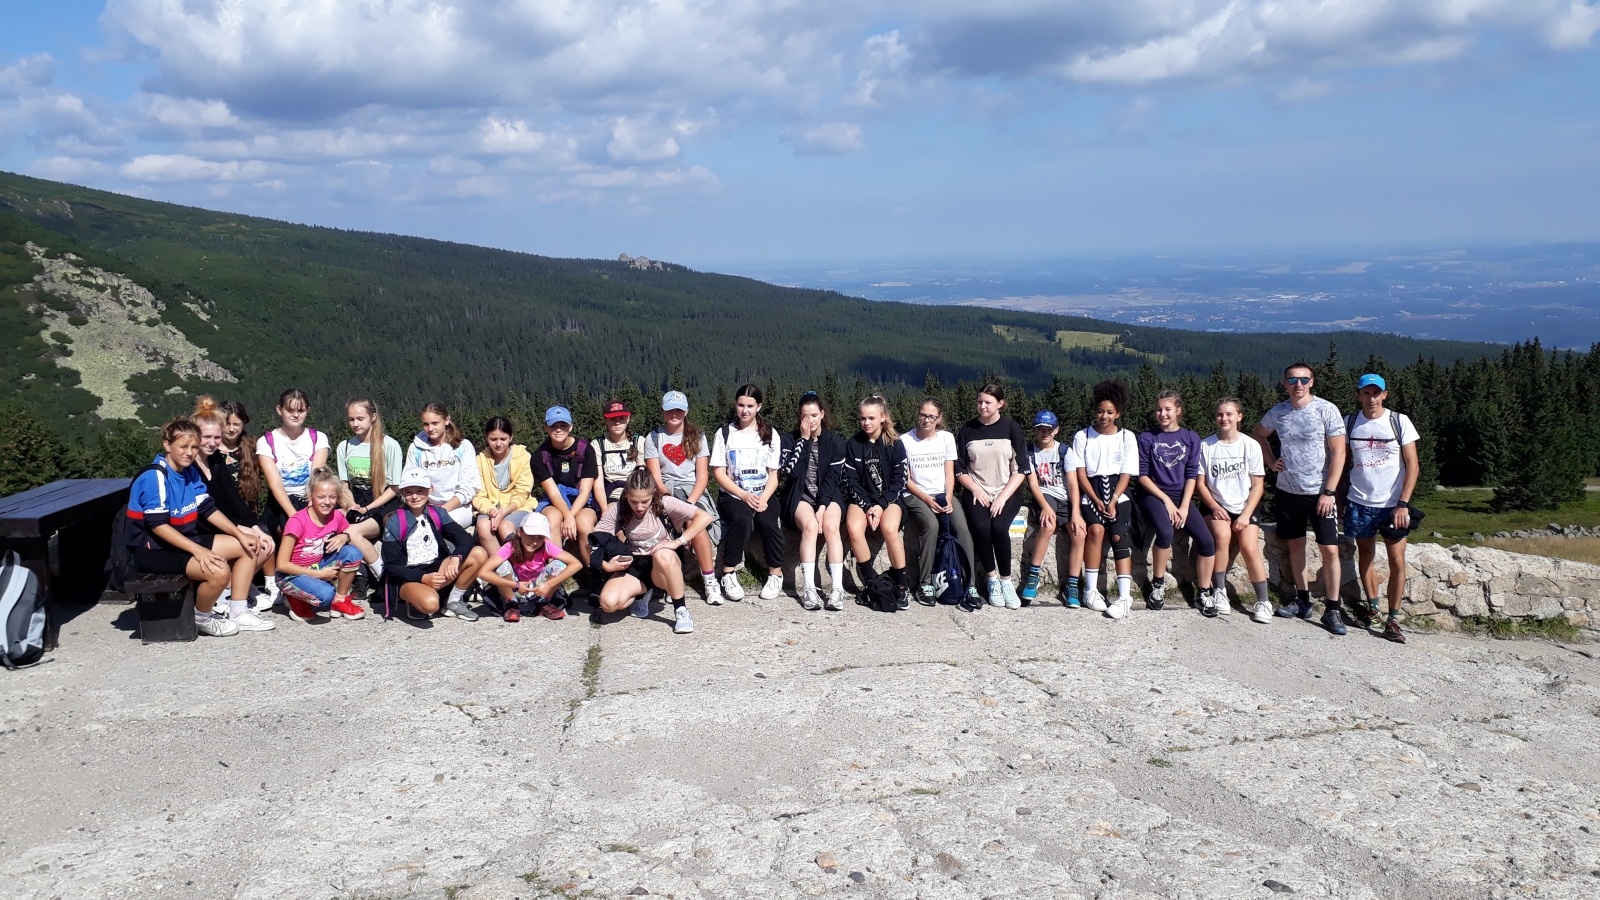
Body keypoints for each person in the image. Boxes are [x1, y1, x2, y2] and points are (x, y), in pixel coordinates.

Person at [125, 418, 269, 637]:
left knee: (250, 545)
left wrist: (239, 533)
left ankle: (239, 611)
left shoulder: (188, 471)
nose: (189, 452)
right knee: (219, 571)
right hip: (153, 549)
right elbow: (158, 526)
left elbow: (207, 508)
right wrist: (199, 551)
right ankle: (202, 616)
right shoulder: (155, 476)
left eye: (194, 447)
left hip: (182, 540)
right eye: (183, 447)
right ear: (167, 445)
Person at [1253, 363, 1348, 634]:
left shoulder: (1326, 410)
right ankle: (1303, 600)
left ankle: (1332, 609)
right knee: (1295, 546)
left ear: (1312, 382)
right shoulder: (1279, 411)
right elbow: (1259, 435)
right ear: (1284, 383)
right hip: (1288, 491)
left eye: (1303, 379)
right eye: (1292, 379)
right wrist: (1271, 462)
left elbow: (1339, 453)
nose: (1298, 384)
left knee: (1329, 549)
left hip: (1320, 493)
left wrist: (1329, 491)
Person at [1343, 374, 1420, 644]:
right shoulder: (1350, 422)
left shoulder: (1399, 422)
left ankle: (1394, 619)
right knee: (1365, 554)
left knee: (1397, 561)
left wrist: (1403, 504)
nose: (1371, 398)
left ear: (1385, 395)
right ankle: (1374, 609)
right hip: (1359, 501)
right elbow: (1340, 459)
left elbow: (1413, 465)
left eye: (1377, 393)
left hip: (1392, 506)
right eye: (1366, 393)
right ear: (1359, 395)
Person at [591, 469, 714, 634]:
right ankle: (643, 593)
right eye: (634, 501)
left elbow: (704, 517)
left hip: (666, 561)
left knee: (662, 554)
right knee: (608, 603)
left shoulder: (665, 503)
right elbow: (595, 539)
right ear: (626, 494)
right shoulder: (619, 509)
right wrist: (606, 566)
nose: (639, 507)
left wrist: (678, 541)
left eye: (645, 501)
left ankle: (681, 610)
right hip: (637, 563)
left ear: (653, 494)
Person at [191, 396, 279, 616]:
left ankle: (236, 591)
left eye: (216, 438)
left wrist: (253, 525)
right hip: (196, 530)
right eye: (207, 437)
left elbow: (231, 498)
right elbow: (203, 510)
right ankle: (227, 595)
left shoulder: (215, 460)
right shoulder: (191, 465)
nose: (212, 442)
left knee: (263, 541)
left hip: (215, 525)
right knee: (251, 545)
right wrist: (239, 530)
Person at [1135, 390, 1218, 614]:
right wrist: (1167, 502)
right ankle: (1158, 583)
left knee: (1206, 540)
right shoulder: (1147, 438)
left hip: (1181, 495)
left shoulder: (1190, 438)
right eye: (1159, 409)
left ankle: (1204, 591)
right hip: (1153, 494)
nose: (1162, 413)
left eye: (1167, 409)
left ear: (1178, 411)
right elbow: (1142, 475)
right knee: (1165, 532)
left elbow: (1192, 473)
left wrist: (1183, 505)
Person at [1197, 398, 1272, 624]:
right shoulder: (1206, 446)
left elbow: (1258, 485)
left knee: (1249, 546)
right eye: (1220, 414)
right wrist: (1214, 507)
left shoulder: (1250, 445)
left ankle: (1263, 601)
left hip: (1245, 505)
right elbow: (1201, 484)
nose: (1224, 419)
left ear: (1239, 417)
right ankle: (1219, 590)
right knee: (1222, 536)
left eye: (1229, 414)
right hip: (1216, 504)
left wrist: (1246, 515)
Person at [956, 383, 1031, 608]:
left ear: (1000, 404)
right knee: (981, 528)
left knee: (999, 527)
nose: (982, 406)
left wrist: (1002, 497)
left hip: (1006, 490)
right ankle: (991, 579)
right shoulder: (967, 430)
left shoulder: (1011, 428)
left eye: (988, 402)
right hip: (976, 489)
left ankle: (1006, 581)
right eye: (979, 401)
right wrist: (976, 489)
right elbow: (959, 469)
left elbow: (1022, 469)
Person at [380, 469, 491, 621]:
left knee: (478, 553)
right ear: (402, 493)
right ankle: (413, 600)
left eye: (420, 491)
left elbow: (463, 538)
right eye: (409, 492)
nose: (414, 496)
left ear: (430, 489)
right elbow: (391, 565)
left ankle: (453, 601)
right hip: (409, 576)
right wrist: (423, 577)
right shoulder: (394, 521)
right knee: (431, 604)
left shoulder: (438, 513)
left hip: (437, 568)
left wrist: (456, 557)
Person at [644, 390, 722, 604]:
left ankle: (709, 580)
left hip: (692, 490)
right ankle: (673, 579)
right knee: (666, 523)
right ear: (662, 411)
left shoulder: (698, 436)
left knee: (693, 520)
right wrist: (670, 499)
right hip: (665, 489)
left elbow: (702, 475)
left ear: (686, 411)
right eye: (670, 410)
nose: (674, 414)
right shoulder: (653, 437)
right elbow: (655, 477)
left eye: (679, 410)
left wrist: (689, 503)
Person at [274, 467, 380, 623]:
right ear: (310, 496)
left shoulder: (336, 516)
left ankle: (340, 600)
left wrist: (345, 536)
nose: (327, 502)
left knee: (352, 552)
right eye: (321, 497)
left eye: (332, 497)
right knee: (325, 595)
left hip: (317, 565)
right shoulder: (297, 521)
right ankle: (292, 597)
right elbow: (282, 564)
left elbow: (348, 533)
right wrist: (319, 575)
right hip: (290, 575)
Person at [711, 384, 785, 602]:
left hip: (764, 493)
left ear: (759, 407)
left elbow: (774, 474)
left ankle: (775, 573)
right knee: (742, 519)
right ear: (735, 405)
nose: (745, 410)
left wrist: (763, 498)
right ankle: (728, 572)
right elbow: (719, 472)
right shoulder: (725, 434)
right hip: (733, 495)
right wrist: (743, 495)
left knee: (768, 522)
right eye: (741, 405)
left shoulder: (770, 434)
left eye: (750, 406)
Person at [1073, 380, 1140, 619]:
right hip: (1091, 491)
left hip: (1117, 492)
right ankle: (1090, 590)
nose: (1104, 416)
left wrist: (1113, 499)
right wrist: (1096, 499)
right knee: (1095, 531)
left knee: (1119, 534)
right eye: (1100, 411)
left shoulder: (1127, 437)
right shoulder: (1083, 436)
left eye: (1110, 412)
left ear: (1118, 413)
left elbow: (1126, 473)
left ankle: (1124, 596)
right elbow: (1081, 472)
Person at [900, 397, 977, 604]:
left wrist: (949, 498)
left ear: (939, 418)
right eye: (923, 415)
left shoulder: (946, 438)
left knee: (961, 528)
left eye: (931, 416)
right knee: (931, 526)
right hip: (916, 495)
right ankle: (925, 583)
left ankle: (969, 584)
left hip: (942, 493)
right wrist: (927, 499)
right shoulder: (905, 440)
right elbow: (906, 480)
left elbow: (949, 473)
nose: (926, 420)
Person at [778, 392, 848, 610]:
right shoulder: (789, 440)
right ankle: (809, 588)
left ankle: (837, 589)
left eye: (814, 415)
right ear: (800, 418)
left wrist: (823, 506)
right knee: (809, 526)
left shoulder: (836, 443)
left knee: (831, 525)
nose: (810, 420)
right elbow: (792, 472)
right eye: (805, 416)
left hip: (828, 496)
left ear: (822, 414)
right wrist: (805, 440)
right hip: (799, 495)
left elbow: (833, 478)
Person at [841, 395, 913, 609]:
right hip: (863, 499)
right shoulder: (853, 444)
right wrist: (867, 505)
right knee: (854, 527)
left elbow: (900, 481)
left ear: (882, 417)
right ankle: (871, 581)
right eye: (863, 418)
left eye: (871, 418)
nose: (866, 423)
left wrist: (880, 506)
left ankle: (902, 585)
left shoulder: (895, 445)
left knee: (889, 528)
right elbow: (851, 481)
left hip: (889, 499)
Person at [1021, 410, 1086, 607]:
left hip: (1065, 497)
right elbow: (1033, 484)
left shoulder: (1065, 451)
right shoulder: (1030, 452)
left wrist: (1075, 513)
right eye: (1041, 429)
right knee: (1047, 525)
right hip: (1045, 494)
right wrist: (1044, 506)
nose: (1045, 433)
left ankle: (1072, 584)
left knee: (1079, 534)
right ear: (1035, 430)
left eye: (1049, 429)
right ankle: (1033, 576)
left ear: (1056, 430)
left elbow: (1073, 484)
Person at [477, 512, 580, 623]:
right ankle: (511, 604)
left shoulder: (546, 546)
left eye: (540, 537)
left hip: (539, 590)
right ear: (520, 532)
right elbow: (483, 572)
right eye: (530, 536)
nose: (535, 542)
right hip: (514, 589)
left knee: (560, 564)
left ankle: (543, 603)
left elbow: (576, 564)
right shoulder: (510, 546)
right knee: (502, 565)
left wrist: (548, 584)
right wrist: (515, 585)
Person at [532, 406, 600, 568]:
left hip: (580, 499)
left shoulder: (585, 450)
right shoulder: (539, 456)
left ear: (571, 427)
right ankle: (556, 572)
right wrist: (567, 516)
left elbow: (585, 490)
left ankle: (593, 572)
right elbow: (553, 492)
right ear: (546, 428)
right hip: (554, 499)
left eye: (563, 425)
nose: (558, 429)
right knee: (552, 519)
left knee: (584, 523)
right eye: (553, 426)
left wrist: (571, 515)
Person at [255, 388, 329, 536]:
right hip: (280, 502)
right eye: (290, 410)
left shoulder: (318, 438)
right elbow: (275, 484)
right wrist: (296, 517)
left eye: (300, 410)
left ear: (307, 410)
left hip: (311, 498)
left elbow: (317, 478)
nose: (295, 415)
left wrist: (310, 510)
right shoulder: (267, 442)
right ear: (279, 410)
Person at [405, 402, 480, 531]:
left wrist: (442, 510)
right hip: (424, 506)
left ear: (447, 420)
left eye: (435, 423)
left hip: (459, 507)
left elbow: (469, 485)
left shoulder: (462, 447)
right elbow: (409, 481)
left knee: (436, 527)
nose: (430, 429)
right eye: (426, 424)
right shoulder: (416, 449)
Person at [471, 416, 537, 557]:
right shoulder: (480, 460)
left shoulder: (523, 456)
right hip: (491, 508)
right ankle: (504, 569)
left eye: (503, 439)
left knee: (504, 525)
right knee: (483, 526)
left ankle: (520, 562)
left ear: (511, 437)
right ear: (486, 438)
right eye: (493, 439)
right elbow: (478, 494)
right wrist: (492, 511)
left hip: (517, 506)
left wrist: (505, 511)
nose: (498, 444)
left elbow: (523, 492)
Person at [595, 400, 647, 512]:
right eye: (612, 419)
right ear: (605, 420)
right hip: (612, 494)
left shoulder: (639, 441)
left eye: (621, 418)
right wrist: (604, 509)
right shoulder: (598, 444)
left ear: (628, 419)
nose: (617, 423)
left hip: (637, 493)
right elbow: (598, 483)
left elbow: (642, 475)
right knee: (614, 516)